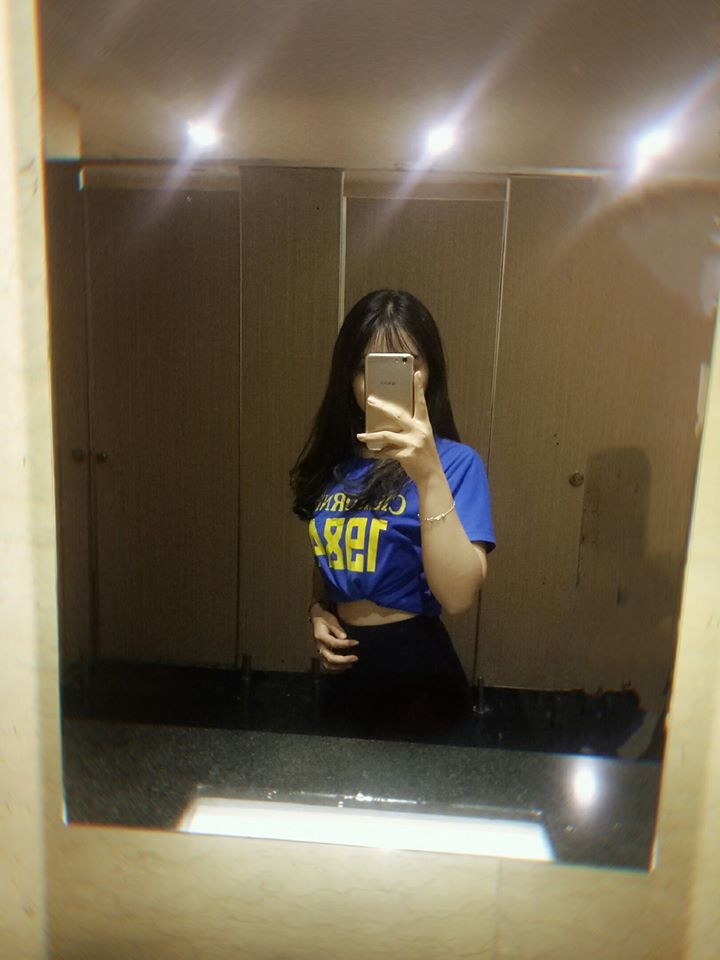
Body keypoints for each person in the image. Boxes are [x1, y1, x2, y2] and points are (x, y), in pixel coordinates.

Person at [290, 289, 495, 744]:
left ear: (429, 373)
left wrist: (428, 475)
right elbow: (330, 553)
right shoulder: (336, 464)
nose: (384, 381)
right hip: (346, 671)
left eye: (405, 365)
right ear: (349, 376)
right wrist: (318, 610)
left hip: (418, 673)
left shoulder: (456, 465)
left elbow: (458, 597)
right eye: (369, 367)